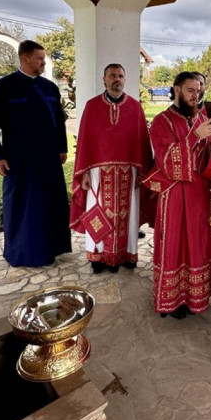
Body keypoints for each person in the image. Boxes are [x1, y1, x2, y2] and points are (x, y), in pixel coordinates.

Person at [146, 72, 211, 319]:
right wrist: (195, 136)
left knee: (198, 244)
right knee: (176, 245)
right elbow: (167, 163)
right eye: (190, 90)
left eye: (199, 90)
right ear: (177, 90)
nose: (196, 95)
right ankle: (173, 300)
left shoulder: (203, 117)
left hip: (200, 194)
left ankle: (196, 296)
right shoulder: (161, 121)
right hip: (175, 197)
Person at [0, 40, 71, 267]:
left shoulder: (50, 88)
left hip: (49, 158)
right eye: (39, 58)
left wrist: (62, 147)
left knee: (50, 202)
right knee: (22, 204)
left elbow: (59, 122)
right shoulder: (4, 87)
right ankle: (23, 253)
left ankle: (53, 248)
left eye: (43, 58)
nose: (43, 62)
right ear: (25, 59)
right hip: (18, 159)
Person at [69, 64, 153, 274]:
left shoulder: (135, 107)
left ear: (125, 79)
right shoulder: (92, 106)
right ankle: (97, 256)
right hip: (98, 173)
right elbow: (86, 142)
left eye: (121, 76)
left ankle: (127, 255)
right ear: (104, 79)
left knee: (129, 214)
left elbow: (142, 142)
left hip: (129, 173)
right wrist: (85, 172)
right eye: (113, 76)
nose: (117, 79)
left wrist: (142, 174)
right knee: (97, 212)